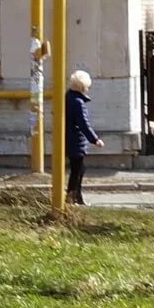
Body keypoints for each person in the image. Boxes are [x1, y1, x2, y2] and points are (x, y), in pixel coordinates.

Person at [65, 69, 103, 206]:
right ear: (82, 87)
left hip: (69, 138)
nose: (88, 88)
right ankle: (72, 198)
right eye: (87, 86)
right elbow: (83, 124)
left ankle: (76, 198)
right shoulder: (78, 103)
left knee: (78, 170)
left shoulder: (68, 97)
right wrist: (95, 139)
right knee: (77, 171)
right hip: (76, 140)